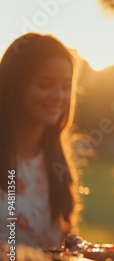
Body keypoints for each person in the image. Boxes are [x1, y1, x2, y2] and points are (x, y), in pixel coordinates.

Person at [0, 33, 81, 248]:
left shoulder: (56, 161)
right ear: (14, 84)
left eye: (66, 86)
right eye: (45, 84)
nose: (58, 96)